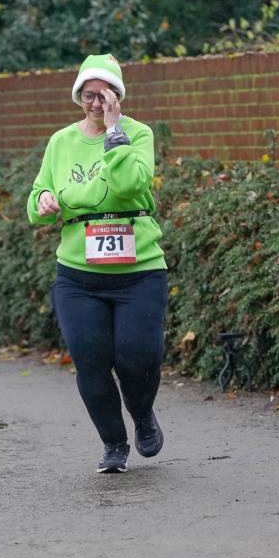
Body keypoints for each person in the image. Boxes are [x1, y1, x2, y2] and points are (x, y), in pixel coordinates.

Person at [27, 53, 168, 473]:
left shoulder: (137, 134)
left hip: (139, 270)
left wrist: (113, 134)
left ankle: (142, 415)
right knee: (90, 359)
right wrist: (45, 200)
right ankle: (113, 443)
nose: (95, 103)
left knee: (137, 358)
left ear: (117, 98)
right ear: (78, 96)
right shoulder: (60, 142)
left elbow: (129, 185)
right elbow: (36, 200)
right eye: (89, 95)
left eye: (104, 96)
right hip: (78, 276)